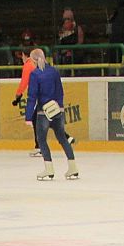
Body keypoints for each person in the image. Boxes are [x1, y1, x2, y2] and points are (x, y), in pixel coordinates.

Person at [24, 49, 77, 180]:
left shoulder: (35, 74)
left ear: (33, 60)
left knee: (42, 140)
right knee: (63, 138)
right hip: (58, 110)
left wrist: (29, 116)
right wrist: (59, 107)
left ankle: (49, 169)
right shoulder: (54, 71)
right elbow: (60, 91)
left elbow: (32, 96)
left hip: (43, 112)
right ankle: (73, 167)